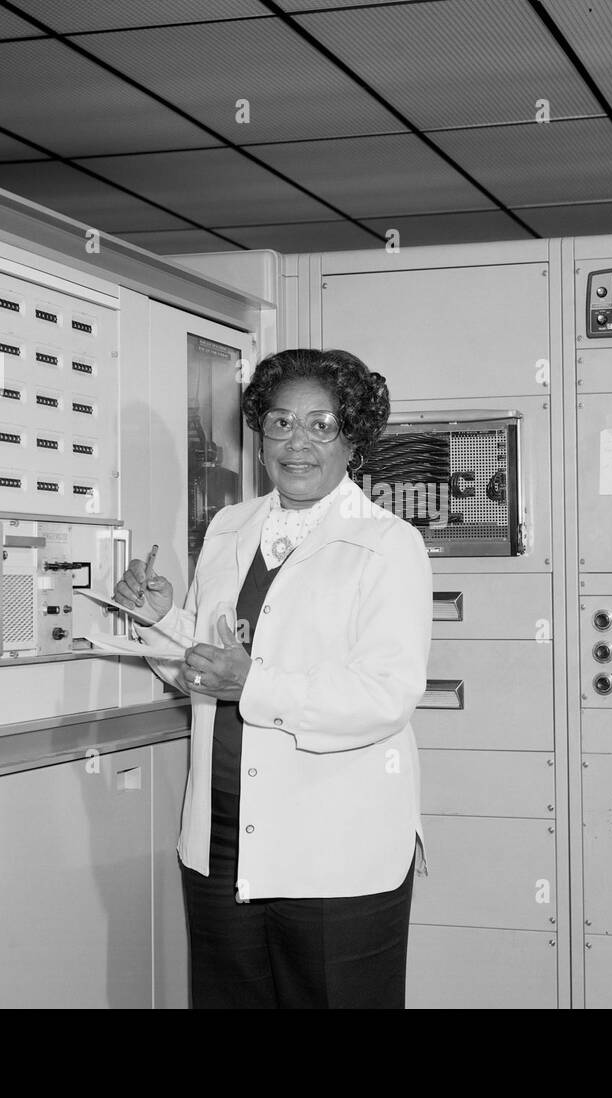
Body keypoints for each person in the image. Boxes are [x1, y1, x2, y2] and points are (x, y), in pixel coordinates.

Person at [115, 347, 433, 1008]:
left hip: (333, 846)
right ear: (260, 434)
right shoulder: (230, 528)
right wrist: (158, 619)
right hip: (224, 834)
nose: (298, 443)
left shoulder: (387, 543)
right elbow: (201, 673)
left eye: (323, 425)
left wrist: (252, 685)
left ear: (354, 440)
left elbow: (385, 696)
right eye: (282, 423)